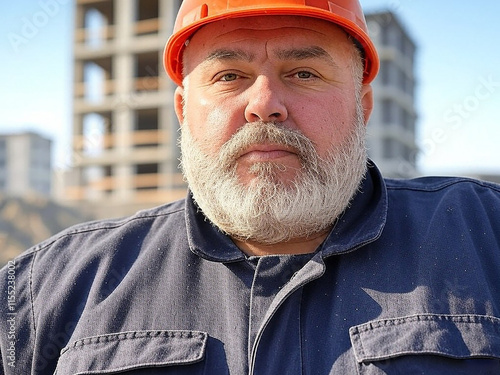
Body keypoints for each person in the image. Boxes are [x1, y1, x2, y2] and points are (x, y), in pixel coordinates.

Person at [1, 0, 500, 373]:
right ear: (182, 111)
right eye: (229, 76)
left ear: (363, 106)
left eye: (303, 72)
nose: (264, 104)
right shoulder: (50, 290)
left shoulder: (485, 238)